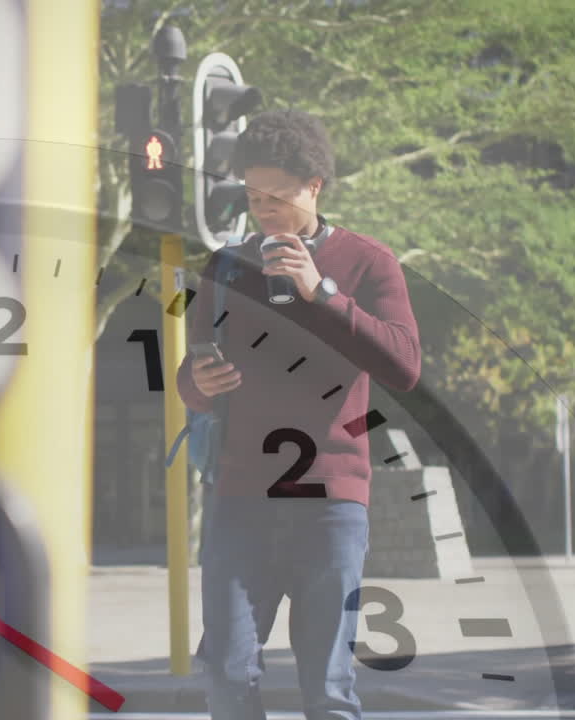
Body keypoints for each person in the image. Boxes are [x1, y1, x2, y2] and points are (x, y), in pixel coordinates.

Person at [176, 109, 421, 719]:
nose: (263, 208)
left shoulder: (368, 263)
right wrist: (197, 382)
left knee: (328, 690)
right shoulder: (227, 266)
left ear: (314, 185)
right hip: (240, 499)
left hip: (332, 504)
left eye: (277, 196)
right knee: (228, 676)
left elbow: (404, 366)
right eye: (253, 196)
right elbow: (191, 374)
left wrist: (324, 293)